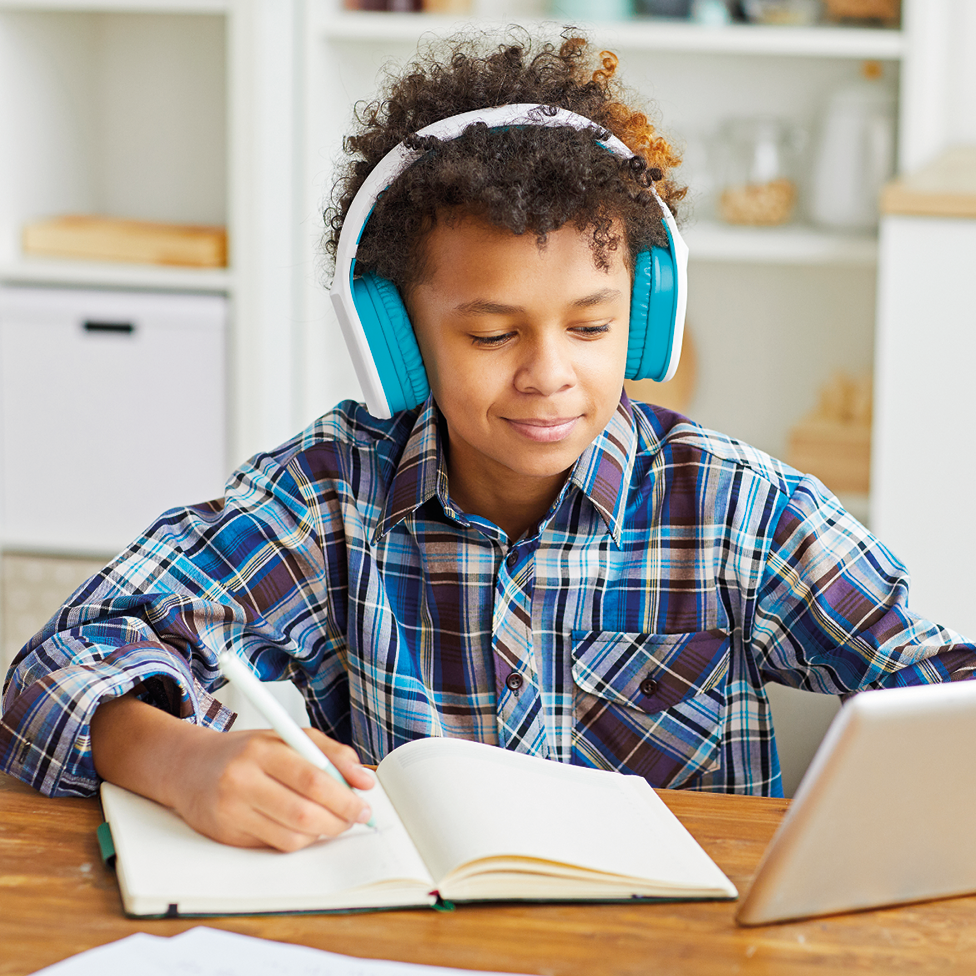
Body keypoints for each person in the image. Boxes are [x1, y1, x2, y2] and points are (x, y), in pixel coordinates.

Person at [2, 29, 974, 853]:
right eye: (491, 333)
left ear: (642, 319)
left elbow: (934, 687)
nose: (549, 372)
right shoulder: (331, 497)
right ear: (397, 337)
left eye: (590, 328)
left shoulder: (741, 516)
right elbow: (57, 665)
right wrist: (178, 756)